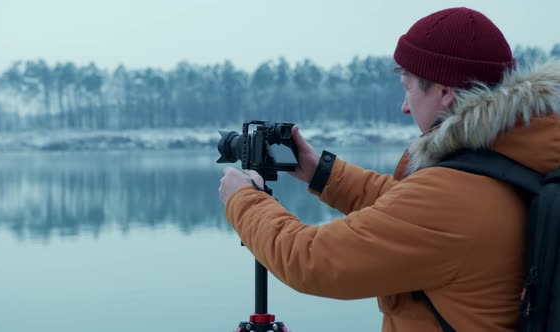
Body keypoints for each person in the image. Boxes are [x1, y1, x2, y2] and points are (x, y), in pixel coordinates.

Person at [218, 7, 560, 331]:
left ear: (444, 92)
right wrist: (318, 171)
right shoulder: (518, 160)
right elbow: (406, 206)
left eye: (408, 87)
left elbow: (312, 260)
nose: (404, 107)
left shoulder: (453, 196)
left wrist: (245, 201)